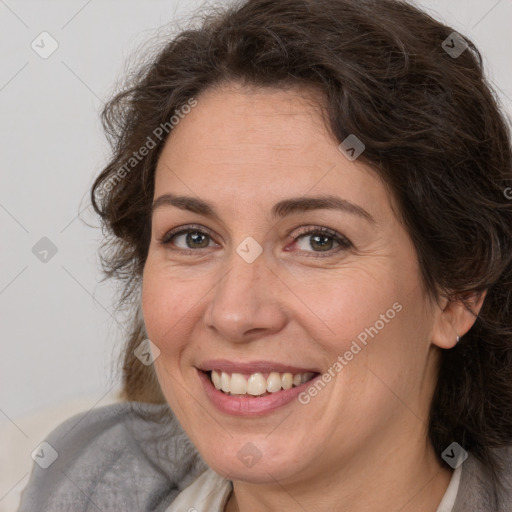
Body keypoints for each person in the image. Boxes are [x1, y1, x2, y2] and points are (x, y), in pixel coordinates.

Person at [18, 0, 512, 510]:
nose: (234, 313)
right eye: (193, 237)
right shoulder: (79, 481)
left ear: (458, 293)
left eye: (320, 239)